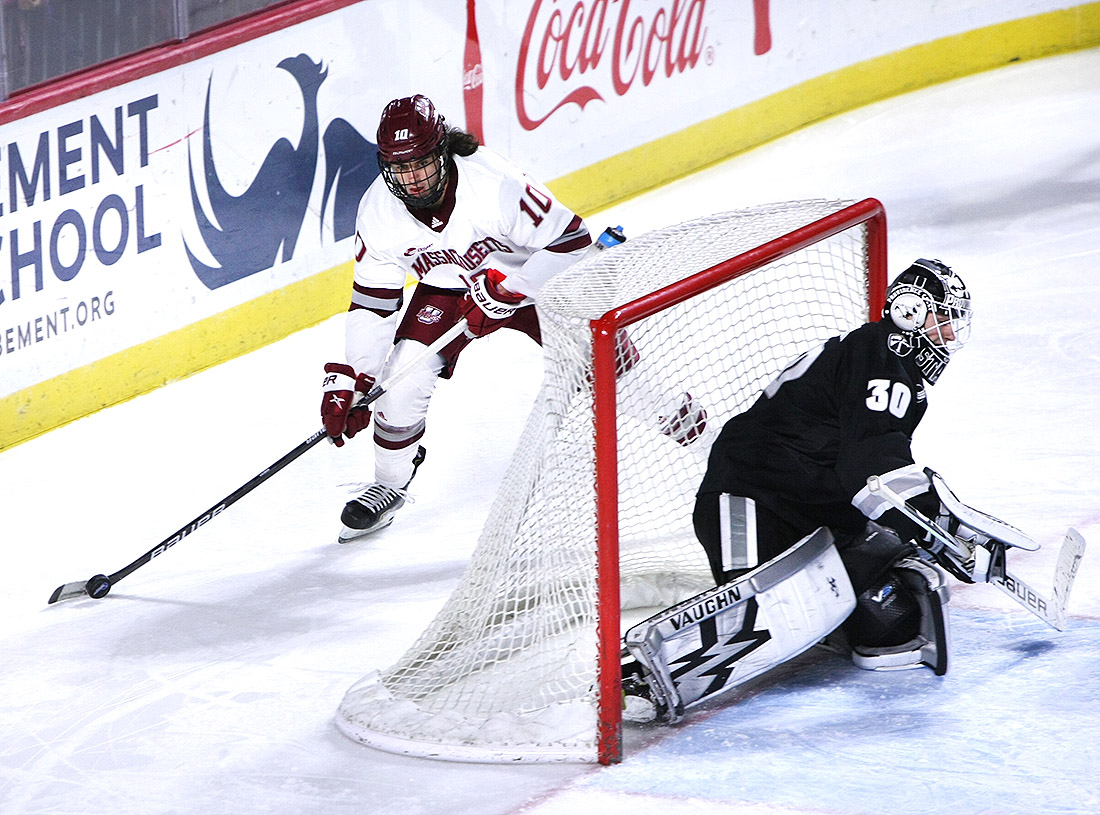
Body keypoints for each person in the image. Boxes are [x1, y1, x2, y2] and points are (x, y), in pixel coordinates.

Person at [320, 94, 703, 543]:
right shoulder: (378, 213)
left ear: (442, 150)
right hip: (451, 289)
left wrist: (510, 292)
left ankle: (707, 441)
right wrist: (355, 378)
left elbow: (573, 242)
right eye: (399, 167)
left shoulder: (494, 183)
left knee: (615, 378)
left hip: (541, 282)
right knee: (400, 380)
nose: (413, 178)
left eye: (421, 163)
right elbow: (373, 302)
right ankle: (389, 482)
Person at [621, 259, 976, 723]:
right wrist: (939, 526)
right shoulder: (882, 353)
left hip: (815, 512)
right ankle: (634, 678)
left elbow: (864, 466)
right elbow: (870, 469)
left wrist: (932, 527)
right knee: (756, 618)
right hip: (751, 495)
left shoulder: (893, 366)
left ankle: (832, 612)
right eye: (942, 320)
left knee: (891, 622)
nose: (948, 336)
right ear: (910, 311)